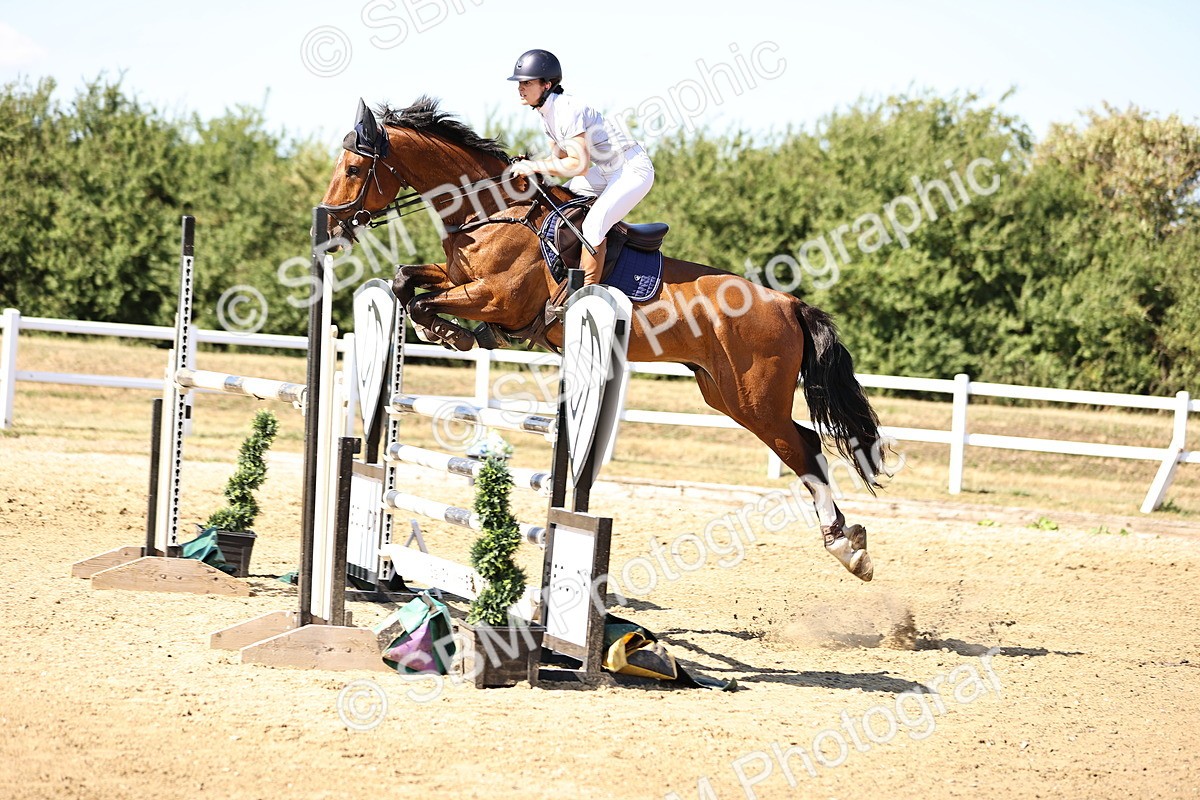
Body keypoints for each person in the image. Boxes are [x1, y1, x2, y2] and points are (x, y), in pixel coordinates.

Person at [507, 49, 655, 287]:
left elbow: (579, 165)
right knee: (559, 205)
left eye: (527, 82)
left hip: (632, 169)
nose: (520, 88)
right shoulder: (547, 114)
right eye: (519, 83)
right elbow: (559, 159)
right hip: (607, 171)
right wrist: (530, 167)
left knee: (593, 225)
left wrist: (533, 165)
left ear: (546, 85)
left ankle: (587, 295)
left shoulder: (566, 109)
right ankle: (563, 276)